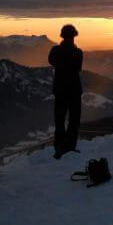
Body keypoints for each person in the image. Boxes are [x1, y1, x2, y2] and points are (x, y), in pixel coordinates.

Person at [49, 24, 83, 160]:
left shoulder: (55, 50)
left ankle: (59, 148)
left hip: (60, 90)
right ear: (74, 36)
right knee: (74, 121)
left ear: (61, 35)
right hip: (74, 90)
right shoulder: (78, 52)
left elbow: (51, 61)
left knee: (59, 120)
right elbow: (78, 68)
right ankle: (70, 147)